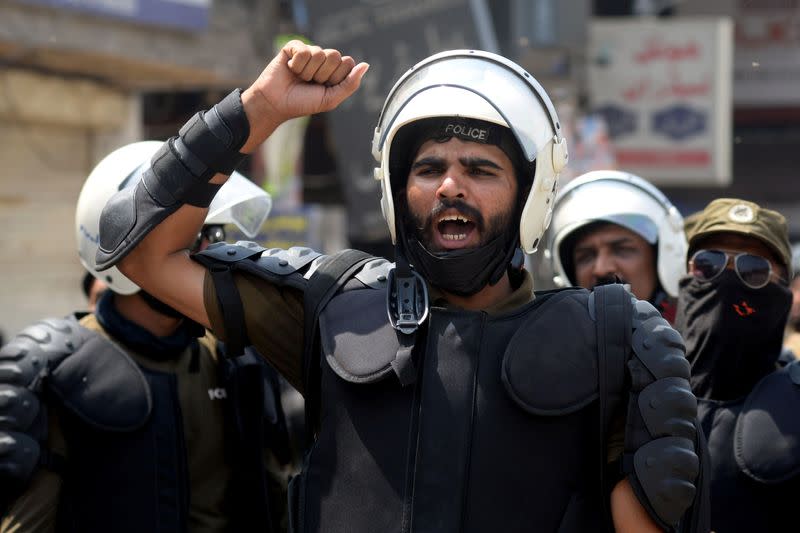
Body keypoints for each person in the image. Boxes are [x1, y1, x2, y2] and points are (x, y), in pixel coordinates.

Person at [93, 42, 706, 532]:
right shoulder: (333, 307)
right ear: (397, 193)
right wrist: (256, 112)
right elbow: (146, 254)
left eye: (480, 169)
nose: (450, 187)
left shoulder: (611, 338)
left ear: (530, 194)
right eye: (429, 168)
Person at [0, 141, 294, 533]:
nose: (210, 252)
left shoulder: (232, 359)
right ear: (128, 250)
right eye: (190, 239)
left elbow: (274, 504)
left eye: (213, 233)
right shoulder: (55, 370)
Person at [673, 198, 800, 533]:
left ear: (782, 290)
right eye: (707, 264)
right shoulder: (627, 391)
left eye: (753, 269)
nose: (727, 282)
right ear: (687, 274)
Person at [547, 170, 687, 322]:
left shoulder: (696, 343)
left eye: (621, 250)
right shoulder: (542, 344)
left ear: (663, 258)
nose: (601, 268)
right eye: (586, 256)